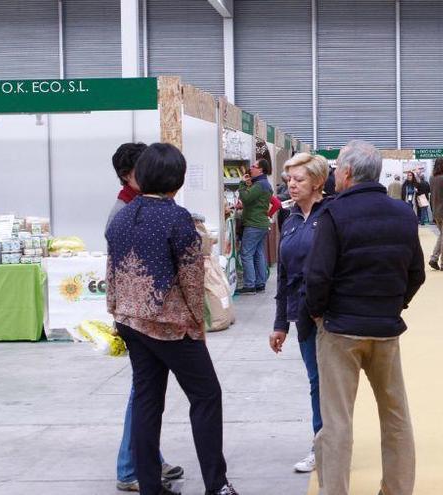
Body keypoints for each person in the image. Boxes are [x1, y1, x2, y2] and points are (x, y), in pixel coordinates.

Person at [106, 143, 236, 495]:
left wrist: (116, 311)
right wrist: (198, 323)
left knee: (148, 402)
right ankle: (216, 485)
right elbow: (191, 280)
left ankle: (150, 486)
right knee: (206, 396)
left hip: (131, 322)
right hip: (172, 325)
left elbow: (113, 272)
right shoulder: (175, 218)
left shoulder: (121, 215)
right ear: (177, 180)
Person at [305, 140, 425, 495]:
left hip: (340, 330)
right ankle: (397, 489)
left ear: (345, 173)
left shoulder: (333, 214)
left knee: (337, 421)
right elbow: (416, 273)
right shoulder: (404, 214)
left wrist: (317, 314)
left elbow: (318, 276)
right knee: (396, 416)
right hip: (385, 329)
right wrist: (394, 305)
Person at [108, 143, 184, 493]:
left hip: (145, 315)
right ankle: (132, 466)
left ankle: (146, 460)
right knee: (143, 392)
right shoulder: (124, 210)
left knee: (147, 393)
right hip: (140, 318)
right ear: (129, 175)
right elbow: (117, 268)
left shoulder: (143, 206)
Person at [270, 153, 330, 473]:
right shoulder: (289, 219)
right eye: (289, 179)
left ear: (318, 182)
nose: (291, 185)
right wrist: (281, 322)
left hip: (331, 316)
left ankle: (328, 445)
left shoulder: (332, 214)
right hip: (302, 316)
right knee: (316, 381)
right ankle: (321, 443)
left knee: (332, 382)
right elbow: (283, 274)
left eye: (299, 179)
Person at [238, 158, 274, 294]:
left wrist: (242, 184)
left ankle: (249, 285)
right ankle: (260, 283)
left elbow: (246, 199)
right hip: (261, 223)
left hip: (254, 224)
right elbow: (256, 202)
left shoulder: (260, 185)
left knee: (246, 253)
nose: (251, 168)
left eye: (254, 166)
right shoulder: (264, 184)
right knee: (258, 253)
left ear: (261, 170)